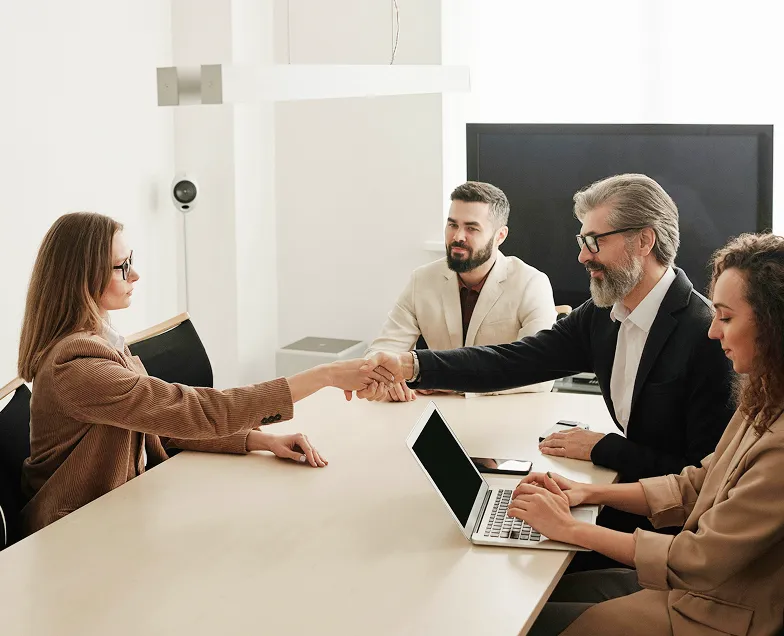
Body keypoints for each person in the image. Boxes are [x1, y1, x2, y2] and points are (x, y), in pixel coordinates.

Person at [361, 174, 735, 561]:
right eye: (582, 241)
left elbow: (705, 479)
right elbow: (513, 360)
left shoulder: (706, 336)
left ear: (644, 241)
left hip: (669, 537)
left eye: (594, 241)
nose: (582, 256)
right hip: (624, 503)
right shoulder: (602, 316)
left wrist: (607, 448)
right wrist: (414, 364)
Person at [18, 212, 391, 535]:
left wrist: (259, 441)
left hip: (123, 509)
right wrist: (324, 375)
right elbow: (191, 410)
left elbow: (160, 422)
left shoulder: (102, 339)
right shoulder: (77, 365)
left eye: (131, 261)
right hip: (73, 534)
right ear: (81, 276)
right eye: (122, 266)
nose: (136, 275)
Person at [515, 232, 784, 636]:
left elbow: (697, 559)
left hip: (720, 614)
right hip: (697, 593)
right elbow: (696, 483)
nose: (713, 332)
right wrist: (587, 493)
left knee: (527, 622)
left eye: (726, 317)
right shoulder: (764, 398)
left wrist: (570, 529)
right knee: (538, 594)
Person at [364, 181, 555, 402]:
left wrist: (452, 380)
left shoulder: (532, 283)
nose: (458, 237)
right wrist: (387, 376)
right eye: (452, 225)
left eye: (471, 228)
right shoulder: (422, 279)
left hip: (504, 417)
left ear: (500, 236)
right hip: (433, 414)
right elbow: (380, 352)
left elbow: (541, 373)